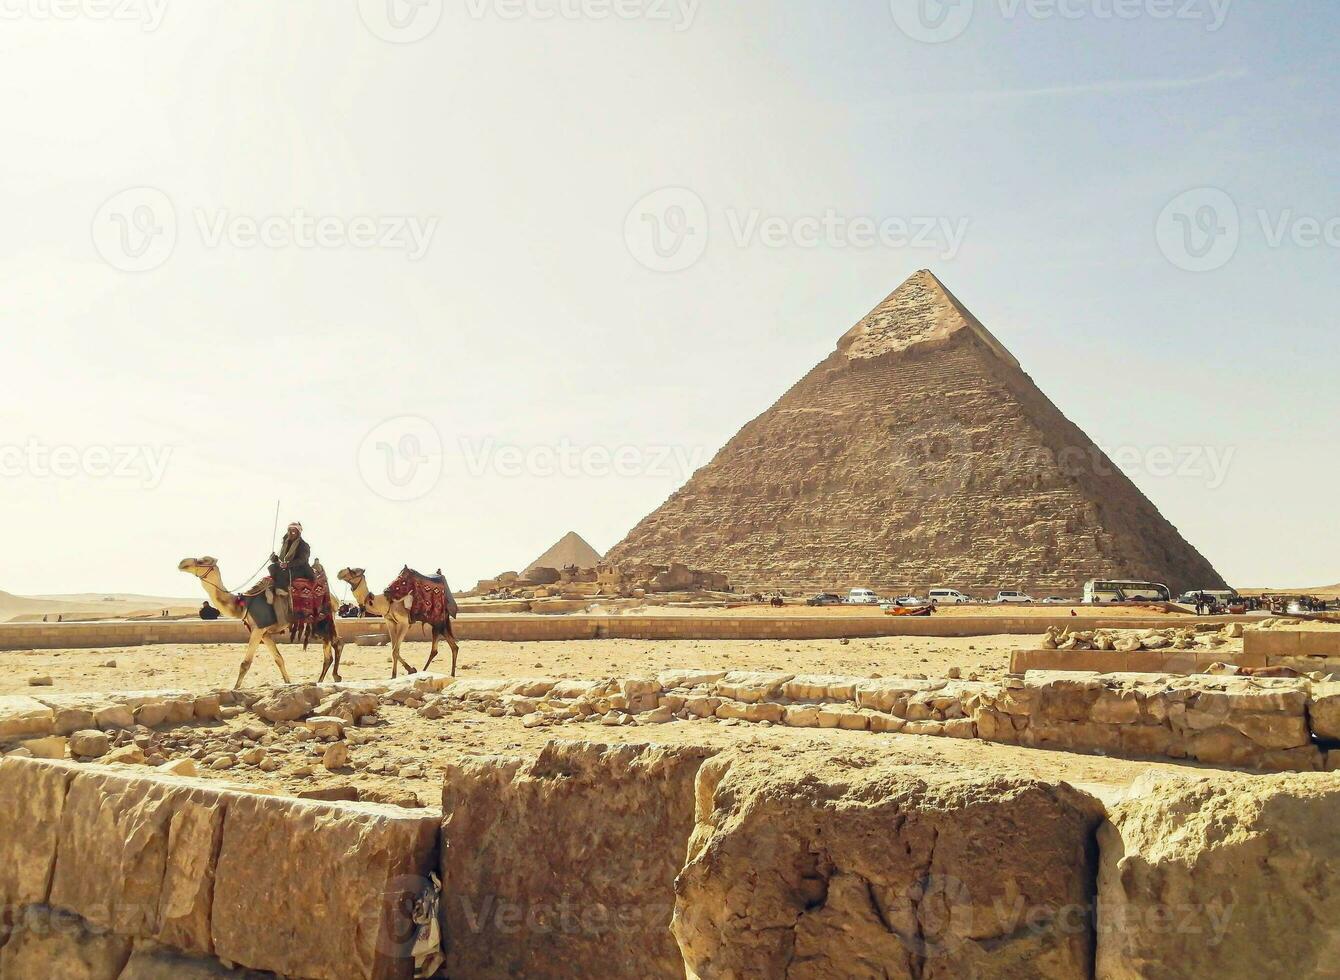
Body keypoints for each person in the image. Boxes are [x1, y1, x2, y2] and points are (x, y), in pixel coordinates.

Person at [267, 521, 313, 629]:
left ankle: (281, 589)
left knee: (283, 573)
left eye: (294, 530)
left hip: (300, 568)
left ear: (298, 532)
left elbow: (303, 560)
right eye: (290, 530)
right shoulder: (285, 543)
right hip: (286, 566)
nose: (292, 532)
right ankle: (276, 587)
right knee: (272, 567)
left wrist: (288, 565)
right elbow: (281, 557)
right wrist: (274, 558)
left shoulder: (304, 545)